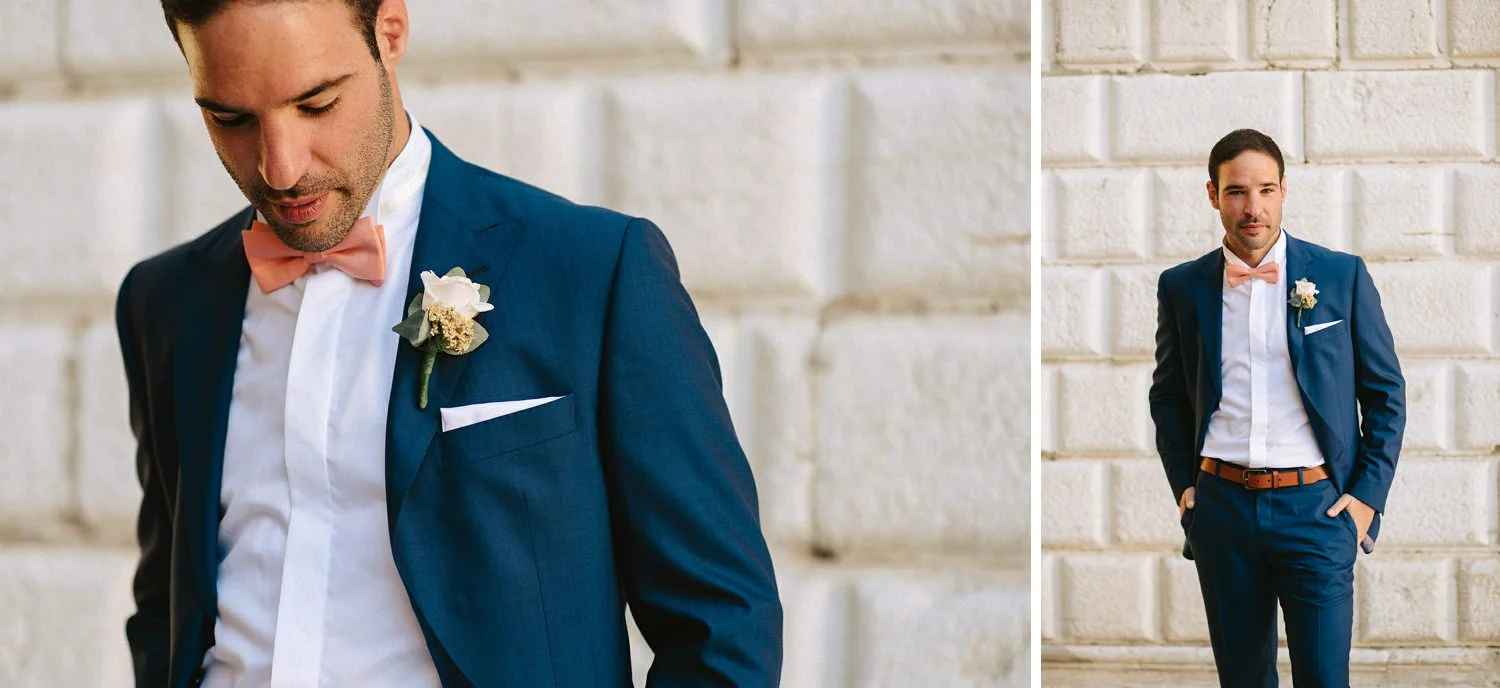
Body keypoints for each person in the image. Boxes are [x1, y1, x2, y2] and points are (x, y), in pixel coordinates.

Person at [115, 0, 782, 685]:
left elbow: (720, 626)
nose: (281, 168)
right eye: (231, 119)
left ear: (390, 32)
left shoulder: (593, 273)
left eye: (316, 105)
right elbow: (168, 605)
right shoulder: (164, 304)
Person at [1149, 128, 1405, 687]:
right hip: (1221, 510)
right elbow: (1167, 397)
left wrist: (1364, 499)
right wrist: (1186, 491)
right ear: (1213, 195)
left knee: (1323, 678)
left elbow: (1386, 395)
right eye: (1237, 192)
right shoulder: (1182, 287)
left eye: (1266, 189)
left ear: (1285, 190)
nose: (1253, 207)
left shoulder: (1340, 275)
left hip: (1316, 511)